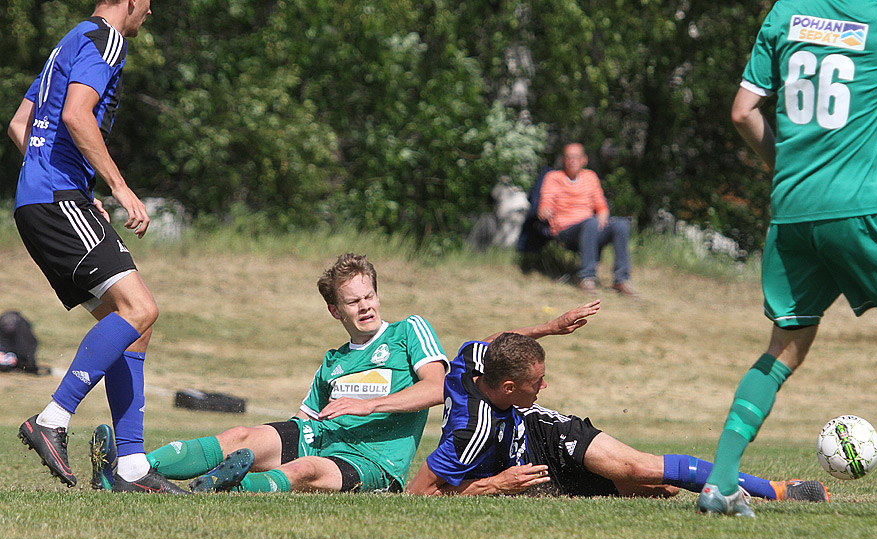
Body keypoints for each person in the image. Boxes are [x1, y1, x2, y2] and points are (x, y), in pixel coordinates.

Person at [697, 2, 877, 517]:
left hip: (791, 213)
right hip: (857, 210)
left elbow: (743, 111)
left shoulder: (785, 11)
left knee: (784, 349)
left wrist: (786, 170)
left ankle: (720, 483)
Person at [7, 0, 185, 493]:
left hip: (38, 202)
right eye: (148, 3)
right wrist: (119, 189)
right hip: (58, 201)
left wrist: (62, 183)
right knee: (140, 308)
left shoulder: (67, 40)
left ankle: (129, 467)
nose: (150, 12)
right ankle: (53, 419)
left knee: (132, 326)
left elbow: (20, 125)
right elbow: (77, 115)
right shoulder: (107, 39)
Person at [106, 253, 449, 494]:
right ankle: (128, 469)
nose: (366, 306)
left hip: (371, 461)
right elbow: (303, 420)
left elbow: (438, 388)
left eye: (369, 296)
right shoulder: (334, 361)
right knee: (241, 435)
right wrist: (268, 442)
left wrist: (369, 405)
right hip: (317, 437)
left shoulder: (408, 331)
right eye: (354, 301)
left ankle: (223, 488)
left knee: (305, 470)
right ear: (335, 310)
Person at [406, 310, 828, 504]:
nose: (546, 386)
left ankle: (780, 490)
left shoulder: (473, 357)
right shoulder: (470, 432)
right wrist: (498, 485)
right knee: (658, 492)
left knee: (641, 470)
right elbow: (419, 493)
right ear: (510, 386)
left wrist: (549, 328)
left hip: (542, 435)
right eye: (537, 383)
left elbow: (501, 339)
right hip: (519, 472)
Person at [537, 143, 635, 295]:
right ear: (564, 160)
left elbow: (601, 206)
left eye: (576, 157)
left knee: (621, 224)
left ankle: (621, 280)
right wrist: (545, 211)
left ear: (584, 160)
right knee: (590, 222)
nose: (572, 161)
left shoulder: (590, 177)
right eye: (569, 157)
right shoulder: (553, 178)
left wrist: (603, 218)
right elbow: (544, 207)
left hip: (591, 227)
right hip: (566, 230)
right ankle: (586, 277)